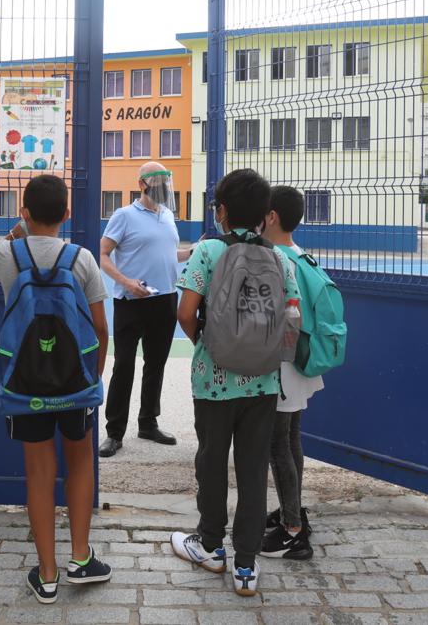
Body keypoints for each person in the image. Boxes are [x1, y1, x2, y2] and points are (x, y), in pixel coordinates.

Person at [0, 174, 113, 603]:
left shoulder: (7, 255)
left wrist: (16, 232)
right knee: (80, 463)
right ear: (67, 214)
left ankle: (48, 575)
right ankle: (80, 558)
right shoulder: (82, 258)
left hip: (25, 383)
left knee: (38, 474)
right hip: (77, 384)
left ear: (25, 211)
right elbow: (100, 327)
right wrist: (94, 377)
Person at [169, 168, 299, 598]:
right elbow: (291, 320)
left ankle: (210, 547)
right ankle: (246, 565)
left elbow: (186, 312)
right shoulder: (281, 258)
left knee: (210, 462)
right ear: (266, 215)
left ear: (221, 211)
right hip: (262, 384)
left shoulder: (207, 251)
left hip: (213, 382)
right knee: (252, 468)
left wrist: (209, 345)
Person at [97, 163, 191, 457]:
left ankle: (148, 422)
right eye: (158, 182)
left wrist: (191, 252)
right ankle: (114, 432)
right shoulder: (124, 216)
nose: (163, 188)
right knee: (124, 364)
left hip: (164, 299)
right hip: (131, 300)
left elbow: (168, 253)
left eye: (166, 182)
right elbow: (102, 253)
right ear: (142, 184)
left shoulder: (167, 216)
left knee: (156, 364)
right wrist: (126, 281)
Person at [259, 185, 323, 560]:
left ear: (271, 217)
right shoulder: (302, 255)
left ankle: (293, 532)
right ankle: (292, 510)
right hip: (300, 362)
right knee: (291, 439)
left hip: (282, 365)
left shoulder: (274, 259)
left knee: (277, 445)